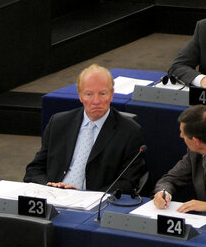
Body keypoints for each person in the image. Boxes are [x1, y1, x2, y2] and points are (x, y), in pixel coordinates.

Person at [23, 64, 145, 194]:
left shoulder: (129, 131)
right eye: (89, 94)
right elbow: (34, 170)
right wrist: (48, 186)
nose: (96, 101)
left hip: (94, 203)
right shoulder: (58, 123)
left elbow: (128, 181)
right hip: (54, 196)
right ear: (80, 96)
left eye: (102, 94)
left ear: (111, 95)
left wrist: (91, 197)